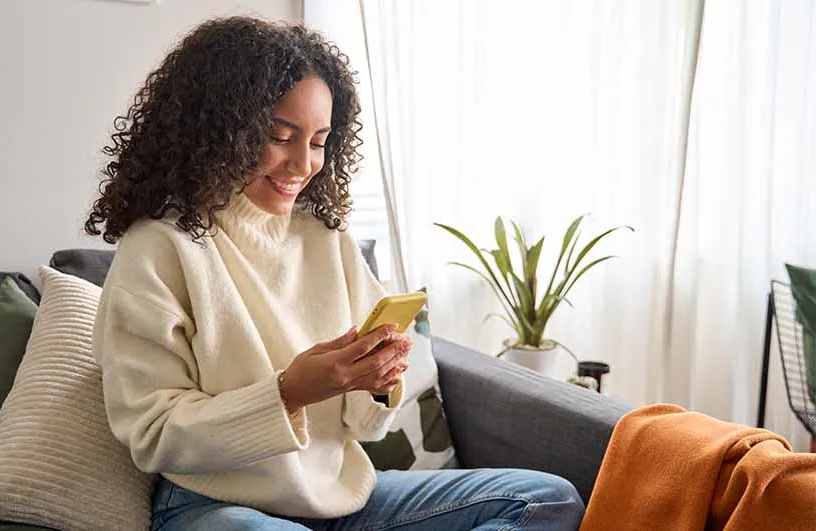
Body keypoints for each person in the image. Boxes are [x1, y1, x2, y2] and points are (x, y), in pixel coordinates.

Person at [86, 16, 585, 531]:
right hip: (213, 507)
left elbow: (363, 426)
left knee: (544, 499)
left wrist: (376, 380)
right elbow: (152, 432)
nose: (303, 164)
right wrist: (288, 392)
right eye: (280, 136)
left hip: (339, 499)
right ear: (219, 131)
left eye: (320, 141)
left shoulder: (325, 237)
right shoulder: (159, 247)